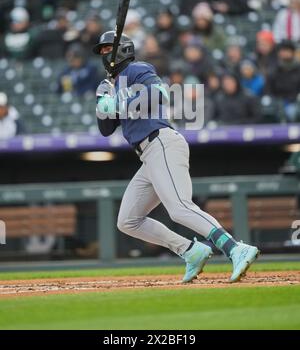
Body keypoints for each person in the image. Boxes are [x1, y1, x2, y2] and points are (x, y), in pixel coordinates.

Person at [93, 30, 259, 283]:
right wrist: (103, 98)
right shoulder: (113, 86)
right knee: (127, 220)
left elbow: (159, 94)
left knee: (179, 208)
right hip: (148, 155)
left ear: (121, 50)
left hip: (161, 142)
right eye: (102, 51)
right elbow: (106, 129)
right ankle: (190, 250)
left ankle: (235, 248)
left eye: (108, 49)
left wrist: (117, 103)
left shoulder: (137, 69)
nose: (104, 54)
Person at [266, 40, 300, 121]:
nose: (284, 53)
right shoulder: (274, 70)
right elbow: (268, 90)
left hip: (295, 103)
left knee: (292, 112)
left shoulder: (298, 69)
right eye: (282, 51)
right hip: (277, 104)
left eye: (287, 50)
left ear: (292, 52)